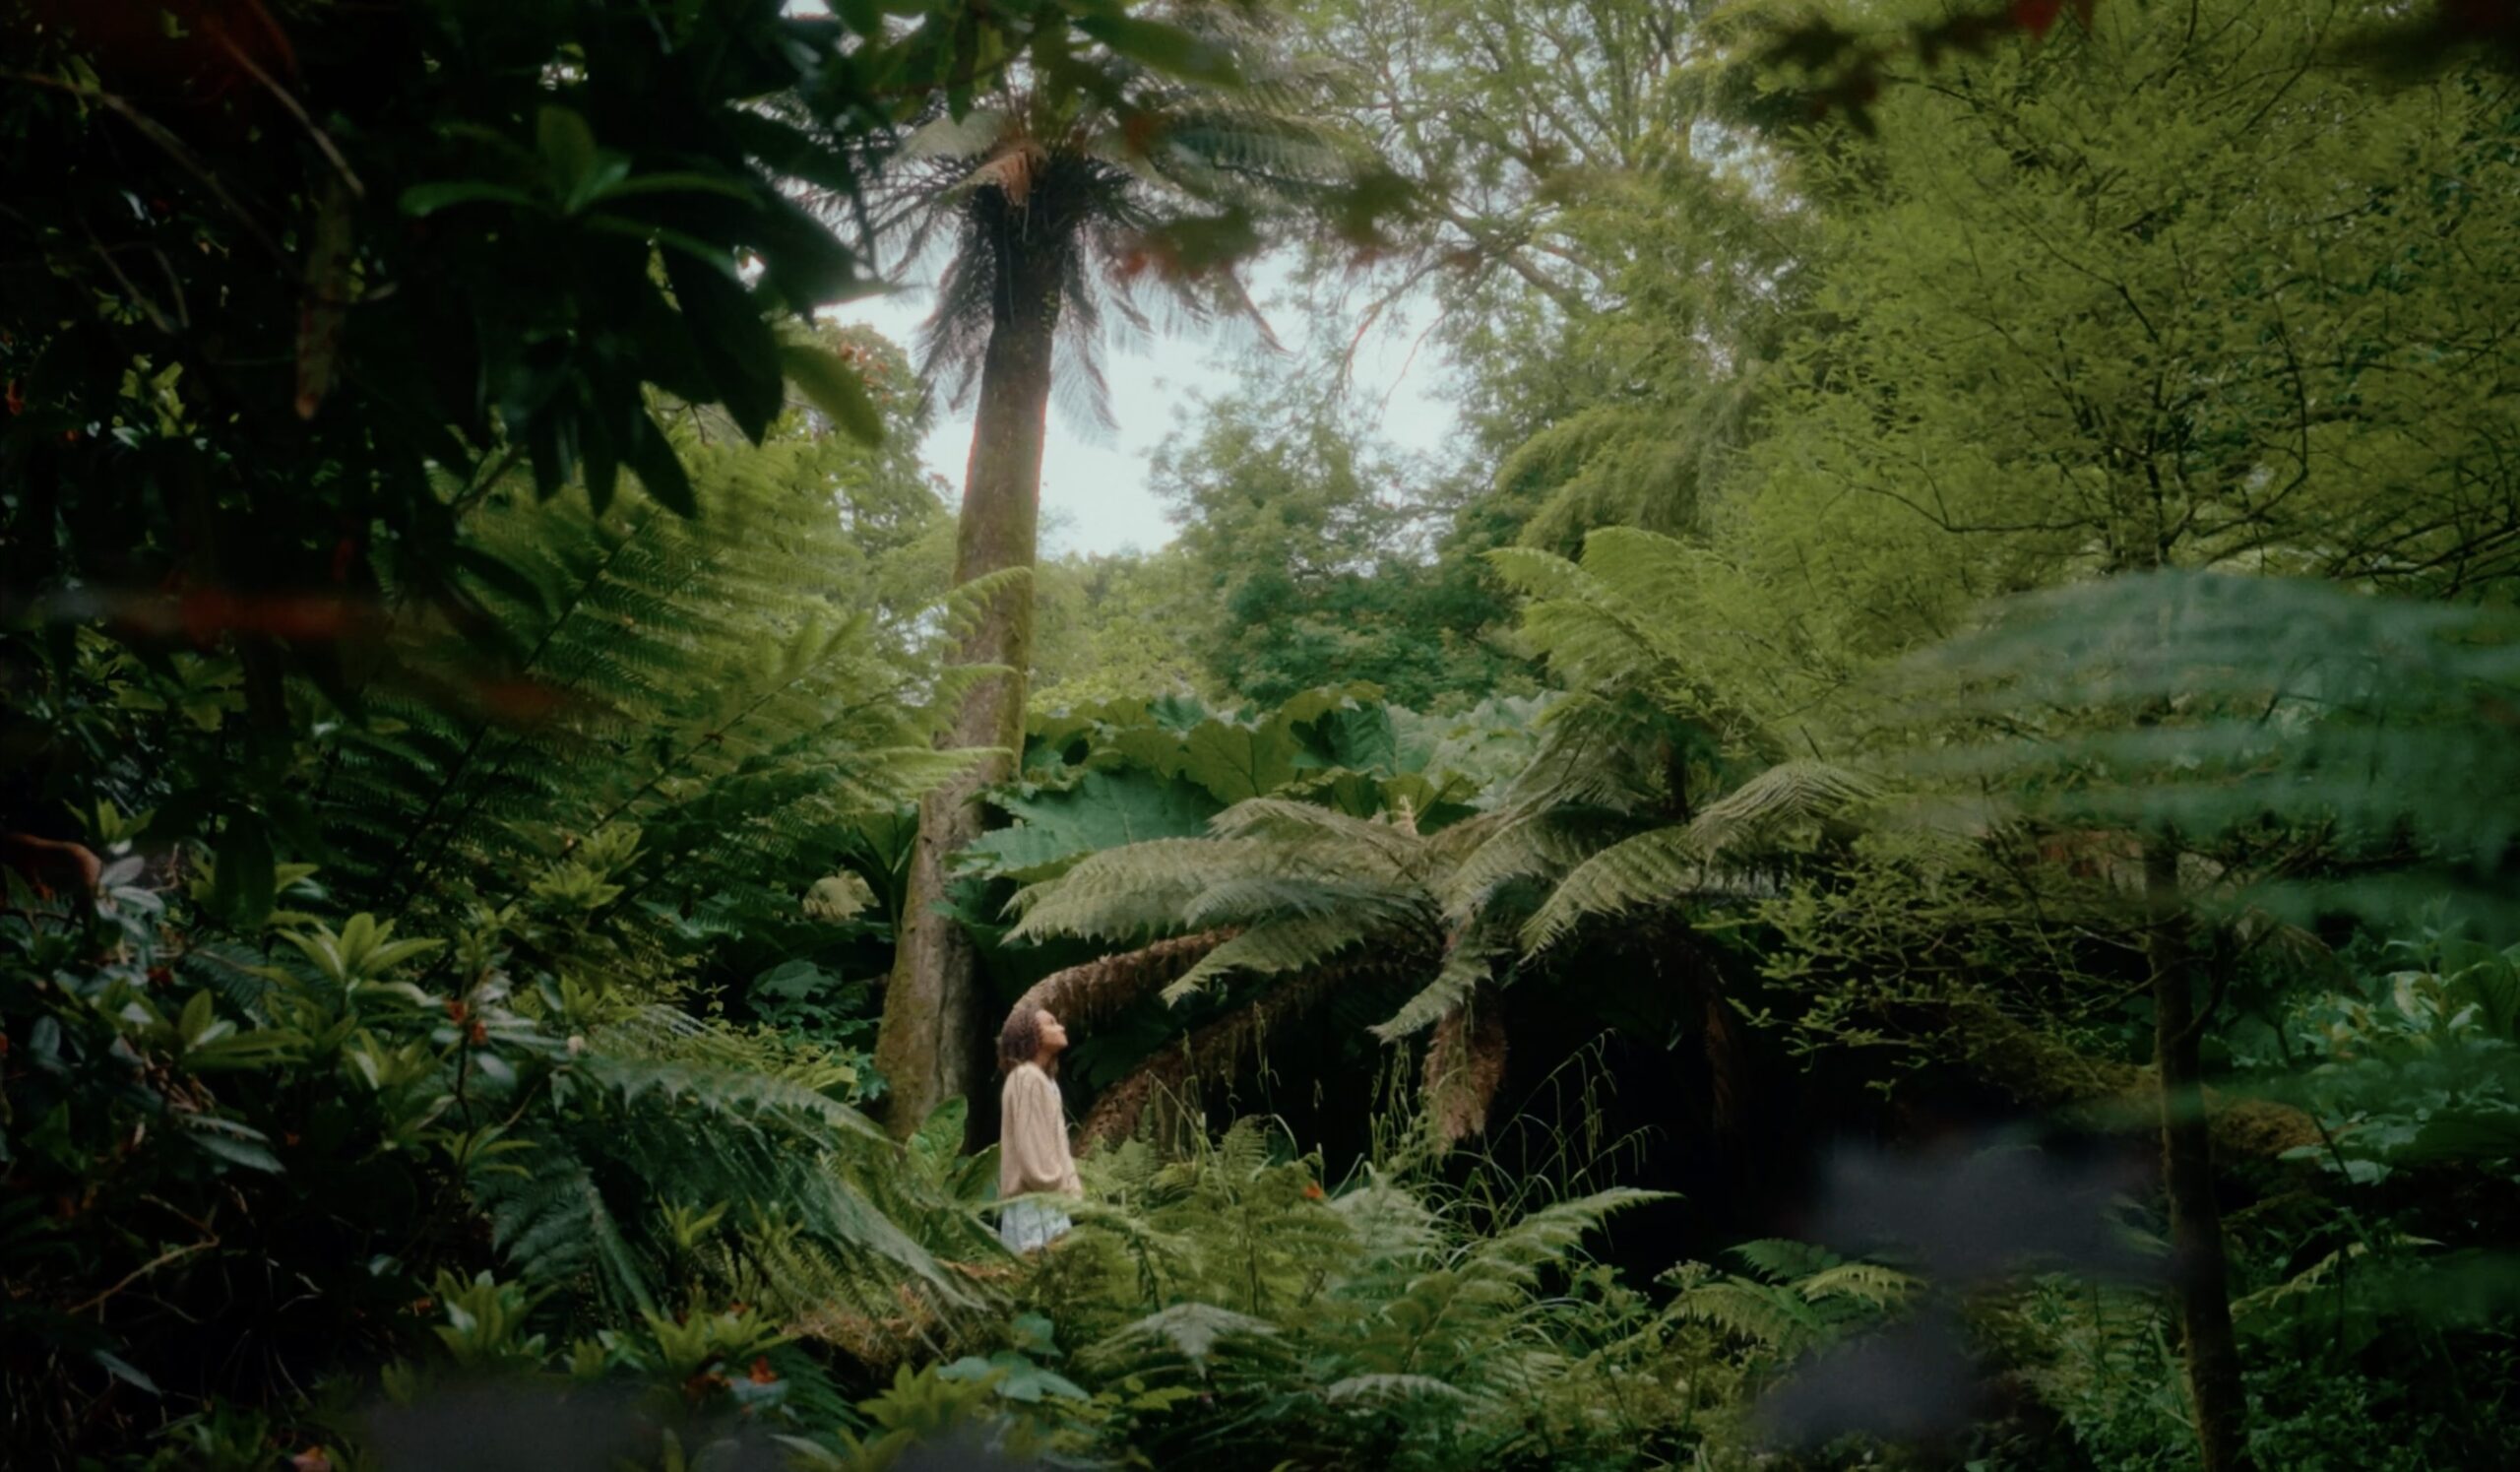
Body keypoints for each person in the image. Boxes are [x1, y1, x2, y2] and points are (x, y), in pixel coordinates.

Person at [995, 1005, 1082, 1252]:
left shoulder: (1043, 1080)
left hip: (1045, 1198)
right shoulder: (1027, 1078)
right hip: (1036, 1202)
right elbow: (1031, 1148)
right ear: (1032, 1035)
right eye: (1051, 1023)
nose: (1061, 1028)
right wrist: (1055, 1182)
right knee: (1034, 1271)